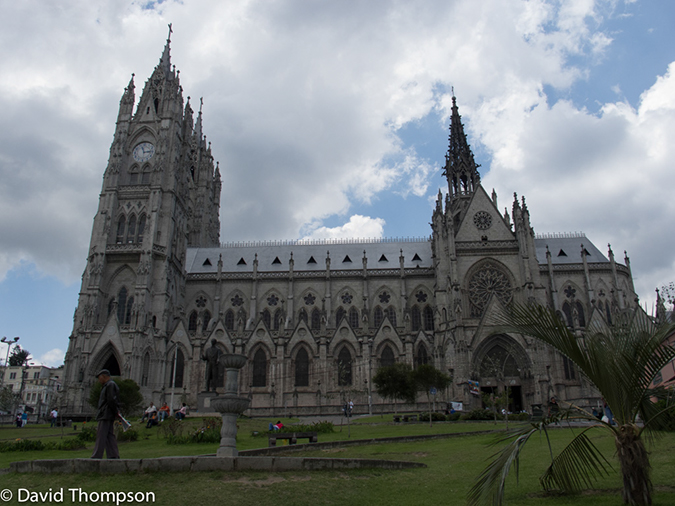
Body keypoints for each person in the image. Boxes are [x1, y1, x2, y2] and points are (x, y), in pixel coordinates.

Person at [91, 369, 120, 459]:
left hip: (106, 413)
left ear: (104, 377)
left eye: (100, 378)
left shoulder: (110, 385)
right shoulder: (108, 385)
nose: (99, 380)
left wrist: (115, 411)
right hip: (108, 413)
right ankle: (113, 455)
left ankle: (97, 455)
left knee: (101, 434)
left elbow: (111, 399)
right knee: (109, 435)